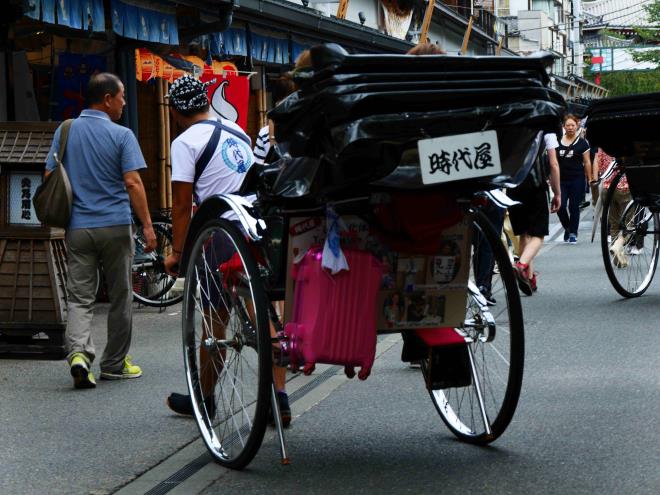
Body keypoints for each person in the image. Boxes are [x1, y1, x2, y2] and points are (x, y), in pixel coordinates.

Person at [162, 75, 292, 426]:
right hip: (256, 226)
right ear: (206, 102)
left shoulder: (185, 141)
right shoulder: (236, 131)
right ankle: (279, 400)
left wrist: (177, 253)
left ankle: (204, 399)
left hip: (219, 233)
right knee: (266, 314)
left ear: (175, 111)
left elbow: (181, 203)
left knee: (214, 324)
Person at [45, 72, 156, 389]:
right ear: (107, 99)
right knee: (121, 296)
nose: (123, 102)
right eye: (121, 96)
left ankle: (79, 354)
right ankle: (114, 363)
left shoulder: (65, 130)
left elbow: (49, 174)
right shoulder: (122, 135)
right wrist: (148, 226)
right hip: (116, 226)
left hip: (79, 227)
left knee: (80, 298)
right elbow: (133, 183)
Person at [508, 133, 561, 295]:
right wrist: (557, 192)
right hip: (535, 186)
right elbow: (553, 163)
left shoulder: (512, 124)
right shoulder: (547, 130)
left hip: (513, 186)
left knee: (524, 233)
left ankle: (529, 278)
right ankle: (522, 265)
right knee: (538, 235)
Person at [556, 114, 592, 244]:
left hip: (577, 178)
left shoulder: (582, 143)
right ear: (564, 127)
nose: (570, 127)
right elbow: (552, 162)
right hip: (561, 180)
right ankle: (567, 227)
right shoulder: (557, 141)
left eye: (573, 125)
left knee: (574, 207)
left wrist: (589, 178)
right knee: (560, 206)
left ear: (577, 126)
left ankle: (573, 233)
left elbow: (587, 162)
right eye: (568, 125)